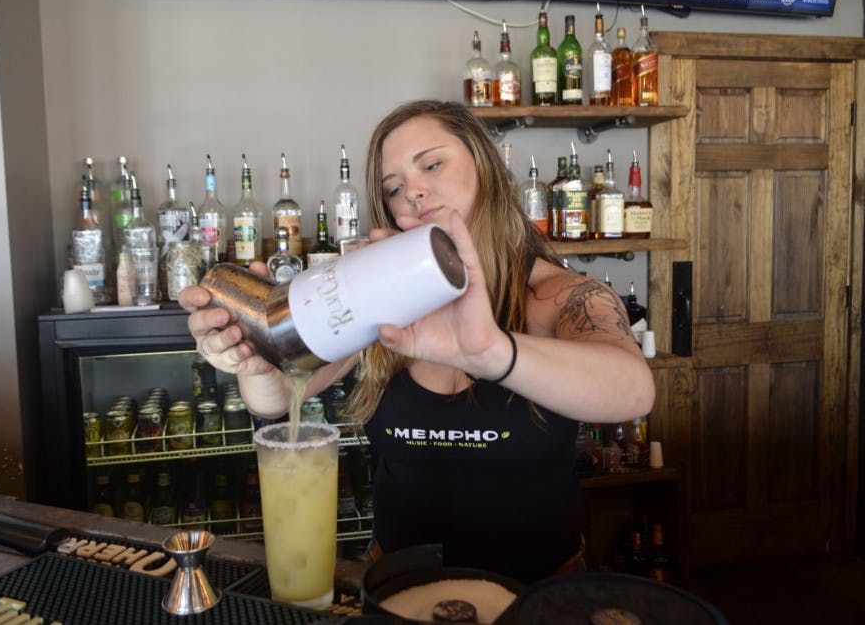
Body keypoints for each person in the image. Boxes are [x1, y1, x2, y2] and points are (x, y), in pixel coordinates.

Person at [179, 100, 654, 584]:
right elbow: (279, 397)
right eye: (394, 188)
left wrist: (490, 351)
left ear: (485, 168)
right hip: (397, 587)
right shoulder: (373, 299)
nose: (414, 192)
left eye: (432, 164)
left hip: (537, 596)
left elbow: (632, 390)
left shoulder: (560, 296)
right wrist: (256, 361)